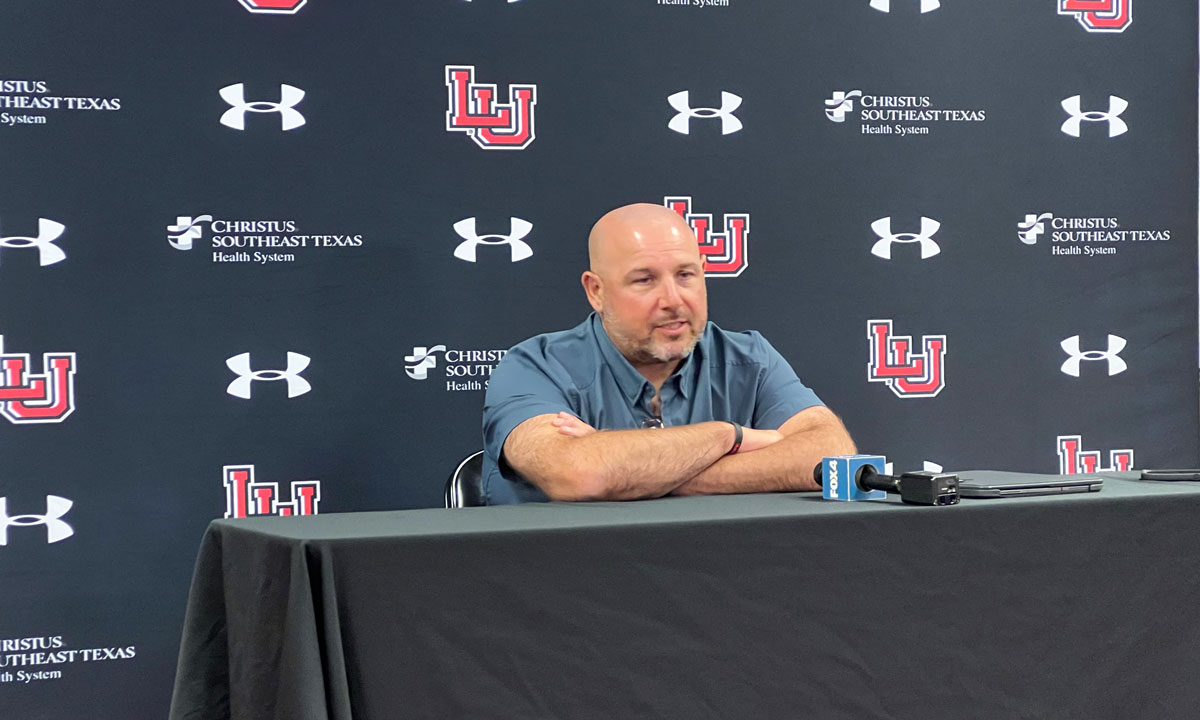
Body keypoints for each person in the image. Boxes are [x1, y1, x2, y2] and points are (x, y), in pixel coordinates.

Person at [480, 203, 856, 504]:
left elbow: (830, 455)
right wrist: (730, 437)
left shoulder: (749, 358)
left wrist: (637, 475)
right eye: (644, 280)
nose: (673, 301)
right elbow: (578, 473)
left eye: (686, 275)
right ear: (596, 291)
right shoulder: (534, 366)